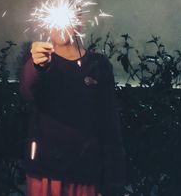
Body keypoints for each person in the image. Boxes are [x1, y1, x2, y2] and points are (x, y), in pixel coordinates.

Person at [20, 28, 125, 196]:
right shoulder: (37, 61)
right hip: (45, 172)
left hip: (86, 172)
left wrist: (112, 180)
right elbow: (27, 90)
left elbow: (109, 121)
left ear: (79, 22)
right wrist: (36, 66)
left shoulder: (98, 64)